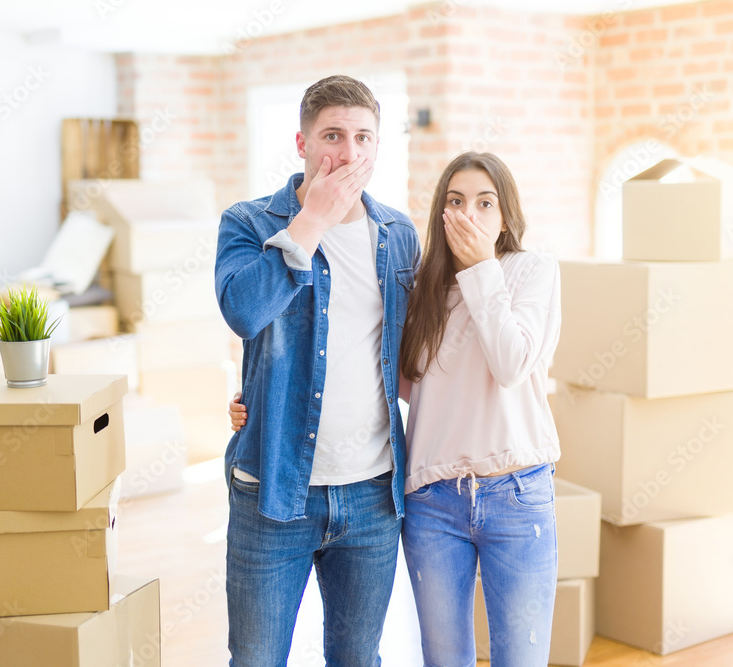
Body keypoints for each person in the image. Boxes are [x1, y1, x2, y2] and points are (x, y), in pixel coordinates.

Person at [233, 151, 563, 666]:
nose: (468, 215)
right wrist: (261, 395)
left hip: (515, 493)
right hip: (433, 500)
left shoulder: (531, 272)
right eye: (456, 202)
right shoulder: (426, 285)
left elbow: (511, 363)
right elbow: (392, 376)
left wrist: (481, 270)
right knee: (443, 658)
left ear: (506, 217)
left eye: (484, 202)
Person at [214, 74, 421, 667]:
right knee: (256, 659)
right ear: (302, 143)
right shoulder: (250, 222)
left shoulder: (397, 235)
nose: (349, 153)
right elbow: (245, 312)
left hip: (373, 494)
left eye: (364, 137)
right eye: (333, 135)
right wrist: (313, 221)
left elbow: (408, 353)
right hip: (274, 490)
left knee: (359, 658)